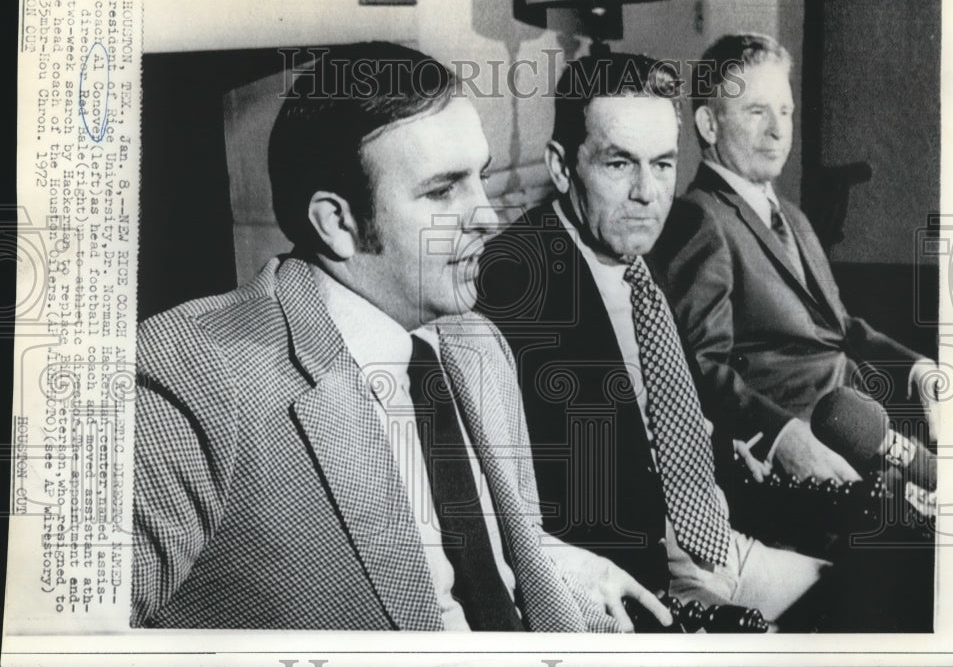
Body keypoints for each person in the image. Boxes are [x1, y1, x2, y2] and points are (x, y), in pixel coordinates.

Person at [131, 42, 671, 631]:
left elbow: (467, 548)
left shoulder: (477, 346)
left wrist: (558, 562)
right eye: (443, 191)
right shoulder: (192, 368)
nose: (487, 216)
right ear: (337, 223)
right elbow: (73, 631)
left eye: (480, 178)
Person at [476, 52, 827, 624]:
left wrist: (715, 447)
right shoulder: (512, 284)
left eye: (663, 165)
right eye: (619, 165)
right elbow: (533, 503)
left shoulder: (645, 250)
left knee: (865, 592)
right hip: (638, 580)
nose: (647, 193)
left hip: (720, 540)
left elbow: (665, 391)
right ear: (563, 168)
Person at [650, 33, 939, 484]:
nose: (778, 129)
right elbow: (701, 369)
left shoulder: (792, 216)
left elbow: (841, 329)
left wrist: (918, 370)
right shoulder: (698, 217)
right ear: (709, 125)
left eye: (784, 111)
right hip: (817, 460)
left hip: (871, 425)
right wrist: (783, 436)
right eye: (756, 111)